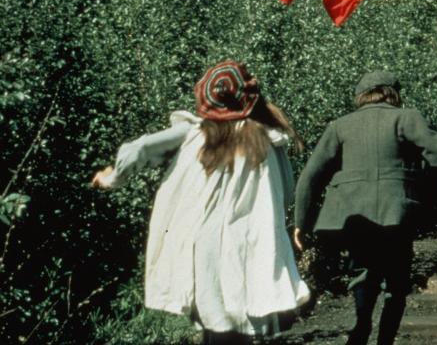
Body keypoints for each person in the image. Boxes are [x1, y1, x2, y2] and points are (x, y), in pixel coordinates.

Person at [91, 60, 311, 344]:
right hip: (249, 240)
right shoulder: (268, 138)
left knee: (215, 321)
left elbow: (140, 148)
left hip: (203, 242)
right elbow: (287, 189)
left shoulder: (196, 133)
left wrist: (112, 177)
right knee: (241, 320)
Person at [293, 70, 437, 345]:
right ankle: (385, 340)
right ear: (393, 93)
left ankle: (361, 327)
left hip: (353, 215)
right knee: (397, 282)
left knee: (362, 274)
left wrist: (301, 221)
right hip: (396, 212)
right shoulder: (405, 117)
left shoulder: (340, 125)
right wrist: (422, 182)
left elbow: (311, 175)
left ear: (361, 96)